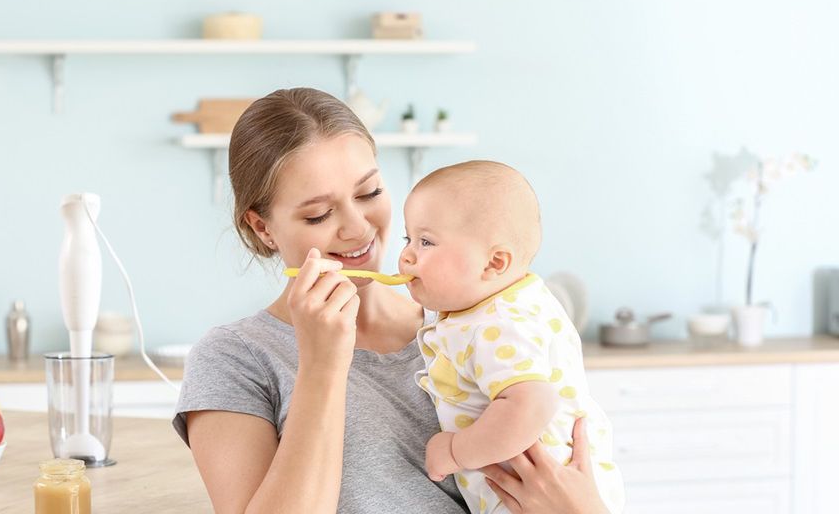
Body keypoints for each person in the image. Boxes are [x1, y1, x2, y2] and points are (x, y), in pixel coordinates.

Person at [173, 87, 609, 514]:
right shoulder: (234, 359)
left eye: (369, 193)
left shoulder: (478, 323)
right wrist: (322, 366)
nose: (357, 228)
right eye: (318, 214)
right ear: (263, 228)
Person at [398, 161, 625, 514]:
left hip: (538, 495)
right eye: (408, 238)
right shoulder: (510, 300)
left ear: (494, 264)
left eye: (426, 241)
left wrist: (455, 450)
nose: (407, 254)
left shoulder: (500, 323)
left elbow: (532, 405)